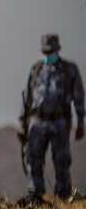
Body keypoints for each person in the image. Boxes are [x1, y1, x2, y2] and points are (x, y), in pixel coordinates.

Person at [22, 33, 84, 199]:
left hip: (59, 121)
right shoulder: (36, 69)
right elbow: (28, 97)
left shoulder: (69, 69)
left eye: (51, 51)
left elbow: (79, 97)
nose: (49, 55)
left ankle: (63, 194)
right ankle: (35, 195)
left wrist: (80, 123)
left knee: (62, 160)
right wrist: (25, 123)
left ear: (57, 49)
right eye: (46, 52)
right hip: (37, 121)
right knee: (33, 158)